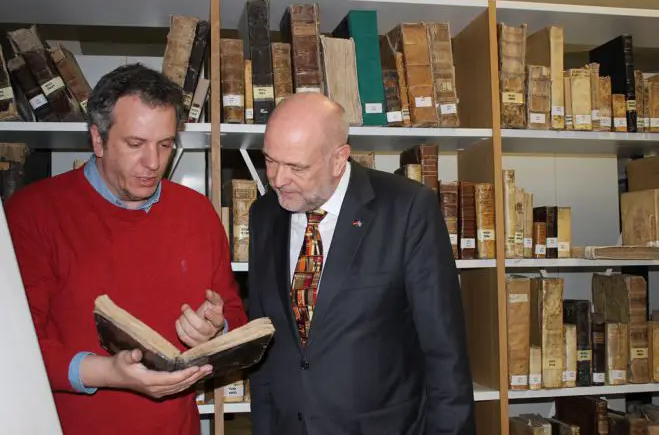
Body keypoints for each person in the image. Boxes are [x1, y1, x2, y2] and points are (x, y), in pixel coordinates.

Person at [4, 63, 247, 435]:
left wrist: (217, 329)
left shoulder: (197, 212)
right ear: (98, 139)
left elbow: (234, 314)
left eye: (165, 145)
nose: (153, 163)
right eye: (135, 144)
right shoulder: (31, 214)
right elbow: (13, 348)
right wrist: (109, 373)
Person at [247, 92, 477, 435]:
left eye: (297, 167)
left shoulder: (408, 210)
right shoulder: (264, 215)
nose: (278, 179)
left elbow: (445, 356)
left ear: (339, 159)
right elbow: (266, 340)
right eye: (270, 160)